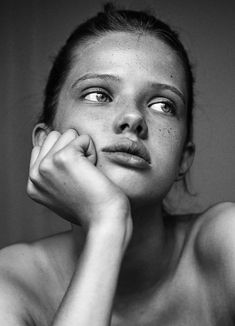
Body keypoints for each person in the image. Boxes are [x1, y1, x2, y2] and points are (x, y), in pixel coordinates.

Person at [0, 3, 235, 325]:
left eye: (163, 104)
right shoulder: (10, 282)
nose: (133, 117)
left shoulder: (226, 240)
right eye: (98, 95)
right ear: (46, 141)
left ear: (183, 158)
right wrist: (107, 223)